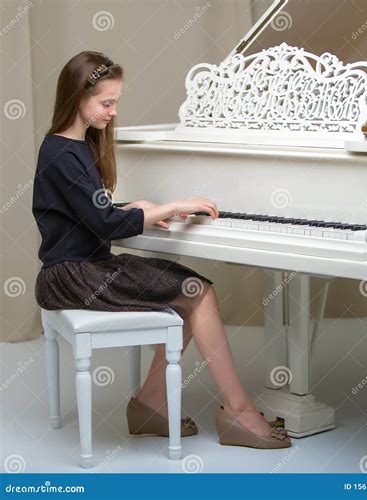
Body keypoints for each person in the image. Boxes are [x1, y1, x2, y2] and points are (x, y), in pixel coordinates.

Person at [32, 51, 290, 450]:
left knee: (183, 292)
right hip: (76, 276)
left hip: (80, 270)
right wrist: (171, 207)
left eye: (116, 101)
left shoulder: (68, 147)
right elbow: (103, 224)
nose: (113, 112)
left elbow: (88, 211)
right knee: (197, 291)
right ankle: (238, 411)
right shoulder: (65, 154)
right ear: (77, 98)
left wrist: (133, 207)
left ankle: (151, 404)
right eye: (106, 102)